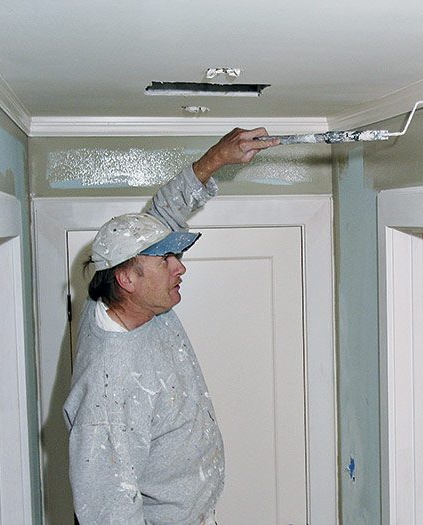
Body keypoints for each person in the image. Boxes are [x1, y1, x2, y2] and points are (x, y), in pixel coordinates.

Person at [63, 128, 278, 524]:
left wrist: (217, 158)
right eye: (166, 261)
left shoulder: (125, 300)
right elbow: (107, 509)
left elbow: (162, 215)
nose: (180, 268)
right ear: (127, 279)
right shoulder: (108, 388)